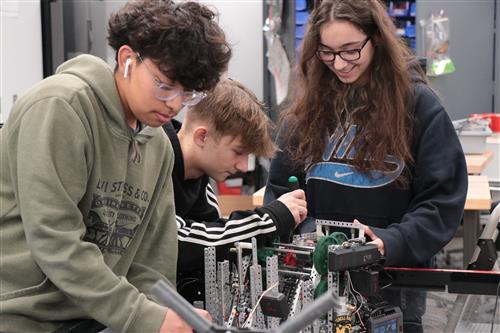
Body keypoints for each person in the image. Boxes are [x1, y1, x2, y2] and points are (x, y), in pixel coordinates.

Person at [0, 1, 231, 332]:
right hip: (24, 316)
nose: (175, 104)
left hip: (93, 316)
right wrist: (143, 317)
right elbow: (55, 241)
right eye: (165, 86)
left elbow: (151, 262)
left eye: (188, 94)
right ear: (127, 60)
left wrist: (172, 315)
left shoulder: (158, 145)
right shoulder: (60, 107)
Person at [263, 0, 467, 332]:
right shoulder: (307, 109)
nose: (339, 64)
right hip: (317, 279)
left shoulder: (418, 107)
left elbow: (441, 202)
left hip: (392, 284)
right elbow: (282, 192)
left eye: (350, 50)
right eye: (327, 53)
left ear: (376, 39)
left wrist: (390, 242)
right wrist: (304, 233)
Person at [162, 78, 307, 304]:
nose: (242, 166)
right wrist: (270, 219)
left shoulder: (198, 176)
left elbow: (213, 233)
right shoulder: (155, 162)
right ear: (202, 136)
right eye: (238, 151)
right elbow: (176, 242)